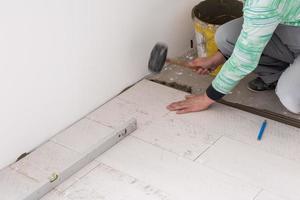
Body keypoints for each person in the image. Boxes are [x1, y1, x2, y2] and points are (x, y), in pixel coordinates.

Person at [167, 0, 300, 114]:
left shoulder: (263, 3)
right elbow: (252, 35)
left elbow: (244, 60)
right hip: (289, 26)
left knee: (291, 99)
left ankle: (291, 79)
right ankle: (278, 76)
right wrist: (217, 59)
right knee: (226, 36)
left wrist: (206, 98)